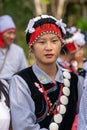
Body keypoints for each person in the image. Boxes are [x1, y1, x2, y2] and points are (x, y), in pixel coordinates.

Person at [9, 15, 84, 130]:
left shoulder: (73, 80)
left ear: (61, 43)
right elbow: (23, 126)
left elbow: (82, 119)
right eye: (42, 42)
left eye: (54, 41)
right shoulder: (21, 81)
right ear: (31, 47)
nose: (49, 47)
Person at [0, 15, 28, 82]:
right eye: (9, 33)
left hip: (13, 89)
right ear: (1, 33)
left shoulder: (18, 51)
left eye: (14, 33)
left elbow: (24, 74)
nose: (12, 36)